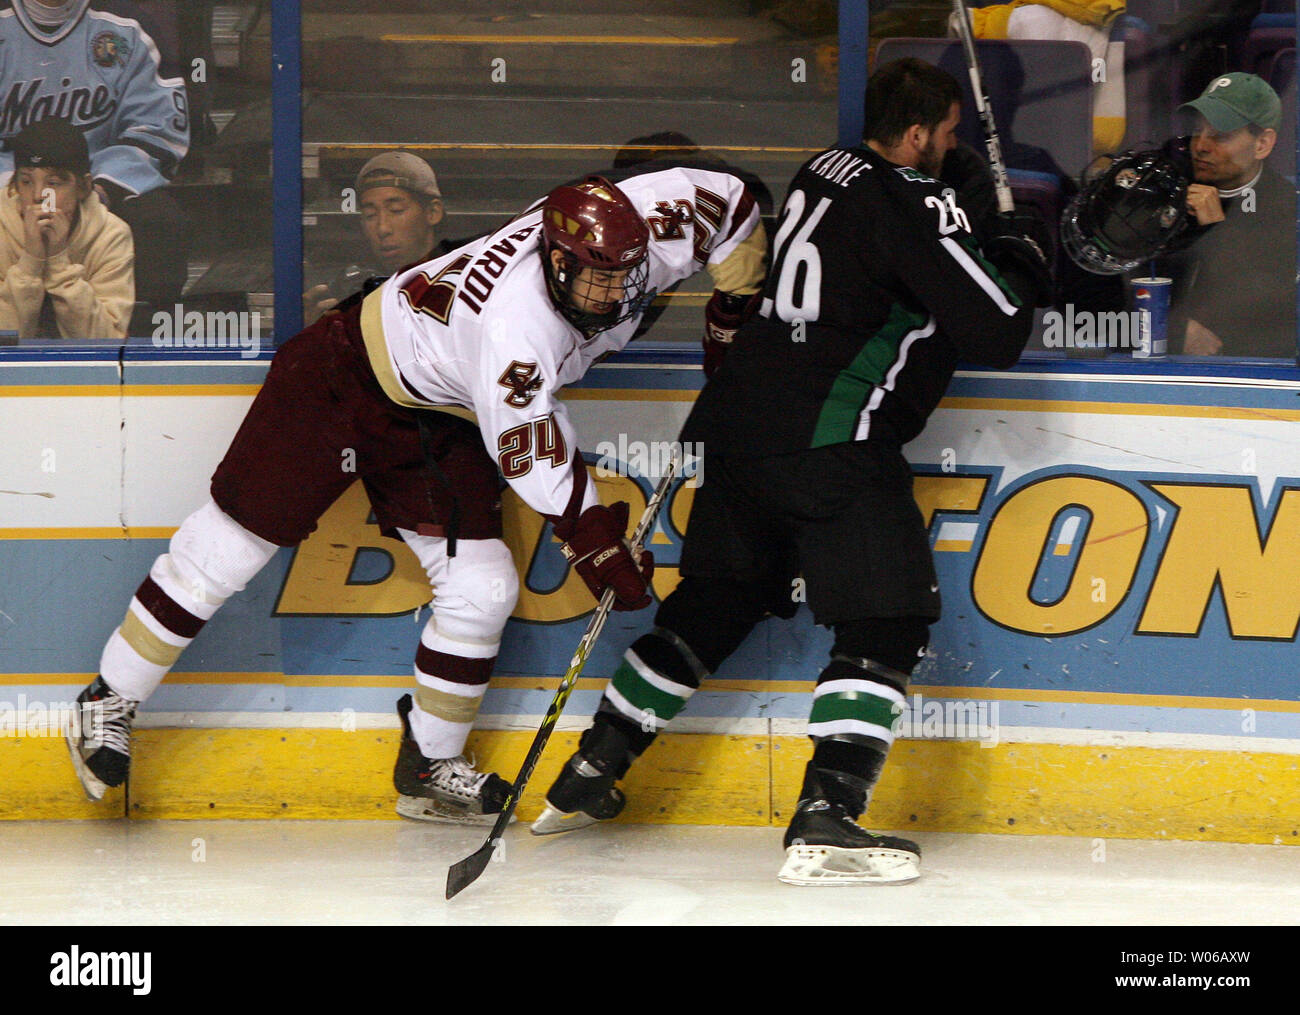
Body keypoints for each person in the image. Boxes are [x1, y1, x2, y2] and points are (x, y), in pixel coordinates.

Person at [65, 167, 767, 825]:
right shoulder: (515, 329)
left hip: (440, 411)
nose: (616, 297)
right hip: (340, 373)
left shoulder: (654, 222)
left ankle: (429, 765)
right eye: (597, 282)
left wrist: (732, 309)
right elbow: (536, 454)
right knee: (230, 547)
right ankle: (108, 697)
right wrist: (593, 539)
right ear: (556, 263)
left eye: (625, 277)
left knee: (484, 586)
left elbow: (734, 204)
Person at [532, 58, 1051, 885]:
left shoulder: (823, 170)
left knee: (711, 605)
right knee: (887, 619)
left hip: (739, 428)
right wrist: (1019, 259)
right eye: (948, 135)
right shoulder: (916, 196)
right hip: (832, 441)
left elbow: (878, 264)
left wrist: (970, 244)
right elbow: (995, 330)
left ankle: (591, 768)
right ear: (916, 135)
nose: (954, 149)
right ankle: (828, 815)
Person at [0, 0, 190, 320]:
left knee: (159, 221)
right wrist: (20, 191)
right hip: (9, 190)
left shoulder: (127, 26)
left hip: (95, 189)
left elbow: (158, 130)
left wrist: (95, 191)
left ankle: (138, 341)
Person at [1162, 72, 1296, 358]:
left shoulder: (1287, 210)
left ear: (1263, 144)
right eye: (1198, 130)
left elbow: (1267, 314)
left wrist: (1216, 230)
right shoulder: (1168, 186)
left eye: (1220, 135)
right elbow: (1117, 289)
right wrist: (1173, 329)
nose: (1201, 146)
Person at [0, 116, 133, 338]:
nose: (38, 195)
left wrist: (59, 263)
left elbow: (105, 343)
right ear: (14, 187)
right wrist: (31, 260)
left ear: (83, 188)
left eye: (53, 183)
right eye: (26, 181)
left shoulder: (111, 235)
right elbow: (4, 340)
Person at [302, 151, 446, 325]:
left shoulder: (467, 288)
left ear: (432, 212)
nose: (382, 228)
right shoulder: (352, 289)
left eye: (396, 210)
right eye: (370, 215)